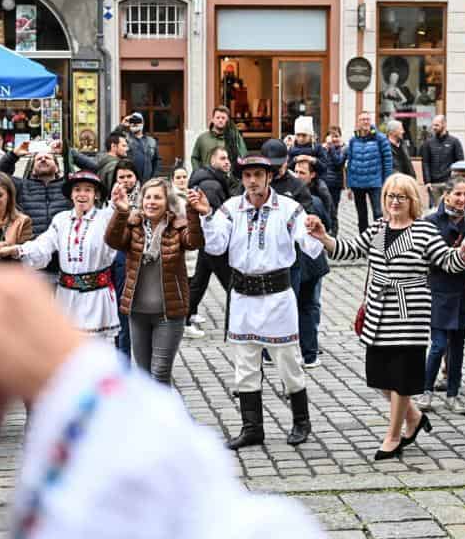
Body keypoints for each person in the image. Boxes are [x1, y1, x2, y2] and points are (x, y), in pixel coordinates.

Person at [0, 267, 347, 539]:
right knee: (235, 372)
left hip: (217, 304)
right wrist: (79, 377)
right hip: (156, 313)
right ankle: (253, 424)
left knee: (272, 368)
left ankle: (294, 418)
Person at [307, 174, 465, 460]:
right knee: (380, 377)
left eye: (401, 197)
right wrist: (324, 238)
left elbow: (447, 261)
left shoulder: (423, 231)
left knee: (401, 379)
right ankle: (415, 417)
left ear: (412, 201)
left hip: (409, 314)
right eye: (390, 196)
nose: (394, 202)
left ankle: (393, 436)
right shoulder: (378, 227)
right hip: (379, 312)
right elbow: (352, 250)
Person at [189, 152, 320, 450]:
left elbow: (310, 244)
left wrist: (314, 230)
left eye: (258, 175)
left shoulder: (289, 209)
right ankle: (252, 428)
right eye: (247, 176)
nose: (252, 181)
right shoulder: (230, 209)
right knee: (245, 365)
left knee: (289, 362)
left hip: (277, 297)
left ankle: (301, 421)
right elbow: (217, 245)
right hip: (243, 298)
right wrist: (207, 215)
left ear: (269, 177)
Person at [0, 171, 119, 340]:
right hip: (67, 297)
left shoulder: (105, 218)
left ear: (95, 195)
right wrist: (15, 250)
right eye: (77, 189)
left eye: (88, 190)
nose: (82, 194)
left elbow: (118, 231)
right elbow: (42, 245)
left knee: (97, 350)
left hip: (96, 296)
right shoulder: (61, 220)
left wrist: (118, 206)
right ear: (71, 194)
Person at [106, 177, 203, 385]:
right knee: (143, 376)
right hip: (137, 312)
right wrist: (121, 211)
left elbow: (194, 242)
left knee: (159, 374)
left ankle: (165, 418)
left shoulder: (178, 225)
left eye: (157, 197)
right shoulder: (133, 225)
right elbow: (113, 241)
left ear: (167, 201)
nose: (151, 202)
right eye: (147, 197)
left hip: (169, 312)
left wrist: (193, 212)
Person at [417, 176, 465, 415]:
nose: (463, 199)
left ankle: (453, 394)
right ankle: (426, 390)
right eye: (458, 194)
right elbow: (426, 255)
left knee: (458, 346)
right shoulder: (432, 220)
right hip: (440, 288)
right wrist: (453, 255)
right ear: (446, 195)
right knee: (439, 344)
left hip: (463, 289)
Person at [0, 140, 72, 278]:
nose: (42, 159)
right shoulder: (21, 186)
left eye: (47, 157)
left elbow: (95, 169)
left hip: (66, 259)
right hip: (31, 259)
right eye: (38, 159)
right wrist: (13, 155)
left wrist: (68, 152)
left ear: (58, 167)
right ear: (32, 168)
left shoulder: (69, 187)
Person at [185, 147, 235, 339]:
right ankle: (234, 327)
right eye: (222, 158)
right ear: (211, 160)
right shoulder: (211, 185)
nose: (227, 161)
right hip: (213, 242)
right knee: (233, 285)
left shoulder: (210, 180)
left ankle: (184, 318)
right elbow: (214, 216)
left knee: (198, 282)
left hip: (205, 242)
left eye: (228, 158)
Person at [292, 157, 332, 368]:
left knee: (309, 306)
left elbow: (329, 223)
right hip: (299, 262)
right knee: (299, 306)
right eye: (295, 172)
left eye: (302, 173)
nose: (297, 176)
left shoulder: (317, 198)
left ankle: (310, 349)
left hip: (312, 261)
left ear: (311, 175)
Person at [110, 159, 140, 359]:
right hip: (115, 259)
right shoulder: (110, 199)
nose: (126, 181)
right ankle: (121, 354)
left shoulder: (146, 196)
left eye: (129, 176)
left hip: (137, 258)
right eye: (122, 177)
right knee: (119, 307)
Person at [345, 112, 393, 234]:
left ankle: (381, 241)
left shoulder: (380, 138)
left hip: (375, 183)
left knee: (378, 213)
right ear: (358, 122)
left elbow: (388, 161)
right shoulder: (352, 140)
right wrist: (349, 185)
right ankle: (363, 241)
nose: (366, 122)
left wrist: (387, 182)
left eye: (367, 119)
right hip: (357, 183)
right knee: (361, 215)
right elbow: (350, 163)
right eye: (362, 119)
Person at [419, 115, 464, 208]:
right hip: (433, 184)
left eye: (436, 125)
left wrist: (455, 179)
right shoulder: (428, 143)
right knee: (434, 210)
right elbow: (425, 163)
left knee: (451, 208)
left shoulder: (454, 142)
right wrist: (427, 182)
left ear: (444, 125)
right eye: (433, 125)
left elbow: (460, 162)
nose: (434, 128)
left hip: (449, 183)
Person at [190, 106, 247, 170]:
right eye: (218, 117)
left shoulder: (235, 138)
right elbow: (194, 158)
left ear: (227, 120)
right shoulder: (202, 138)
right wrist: (199, 172)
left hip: (227, 177)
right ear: (213, 119)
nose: (220, 120)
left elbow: (243, 156)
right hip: (207, 177)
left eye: (223, 118)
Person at [320, 127, 347, 236]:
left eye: (336, 136)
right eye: (331, 136)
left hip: (335, 184)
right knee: (323, 209)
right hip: (323, 183)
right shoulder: (322, 148)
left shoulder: (343, 149)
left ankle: (333, 235)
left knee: (333, 210)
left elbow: (339, 162)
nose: (334, 139)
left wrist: (331, 148)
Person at [123, 112, 160, 181]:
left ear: (143, 123)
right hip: (129, 180)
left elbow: (157, 161)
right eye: (132, 121)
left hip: (146, 180)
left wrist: (154, 178)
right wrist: (122, 125)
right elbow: (112, 139)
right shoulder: (124, 139)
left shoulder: (151, 141)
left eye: (138, 121)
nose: (134, 123)